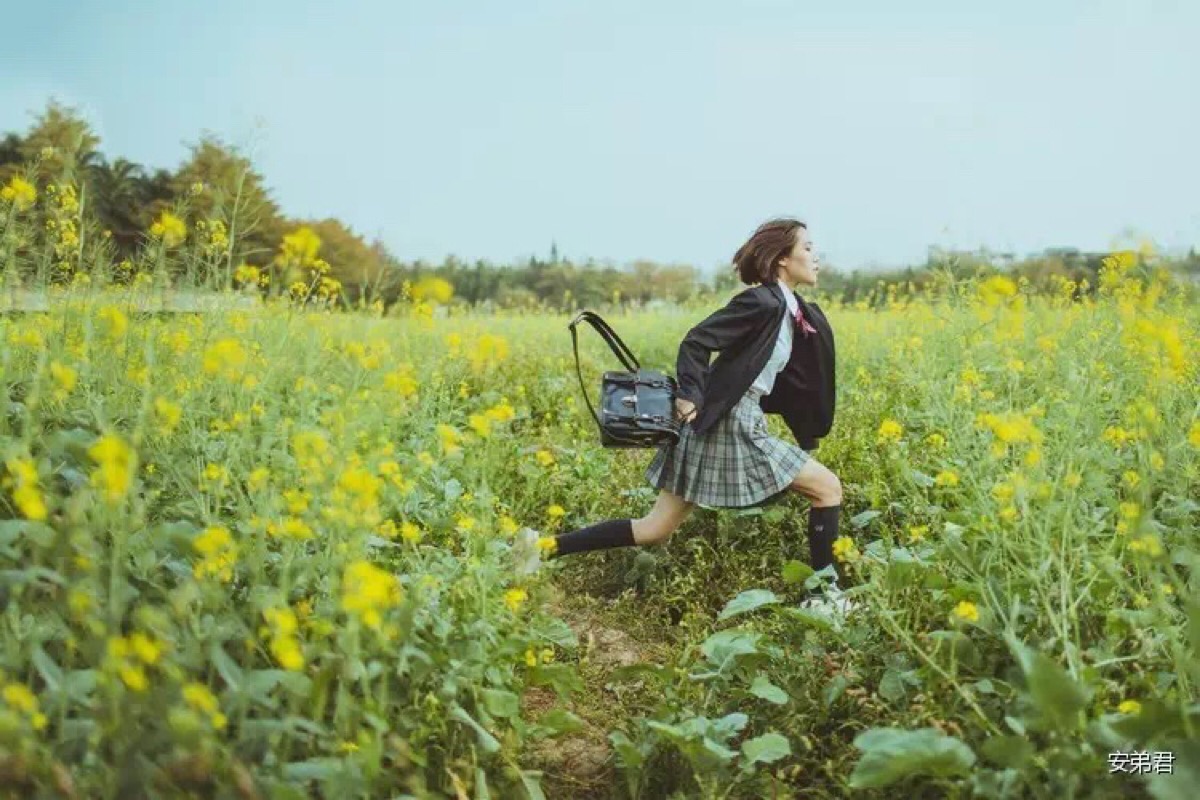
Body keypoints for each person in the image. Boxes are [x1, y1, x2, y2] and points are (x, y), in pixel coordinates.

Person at [513, 217, 852, 615]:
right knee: (827, 488)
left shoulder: (792, 310)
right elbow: (696, 341)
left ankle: (541, 548)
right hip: (730, 426)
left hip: (725, 422)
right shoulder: (760, 302)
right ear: (781, 259)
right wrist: (689, 396)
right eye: (808, 248)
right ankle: (825, 599)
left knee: (654, 528)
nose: (816, 257)